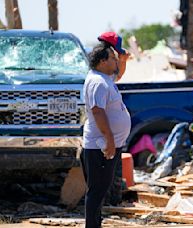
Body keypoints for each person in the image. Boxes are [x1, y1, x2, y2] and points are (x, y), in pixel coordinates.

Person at [81, 31, 131, 228]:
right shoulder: (98, 82)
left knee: (101, 190)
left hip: (106, 144)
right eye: (112, 57)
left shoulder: (105, 78)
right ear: (102, 61)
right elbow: (98, 112)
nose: (115, 60)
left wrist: (123, 60)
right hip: (100, 145)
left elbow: (118, 75)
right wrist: (110, 139)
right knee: (96, 191)